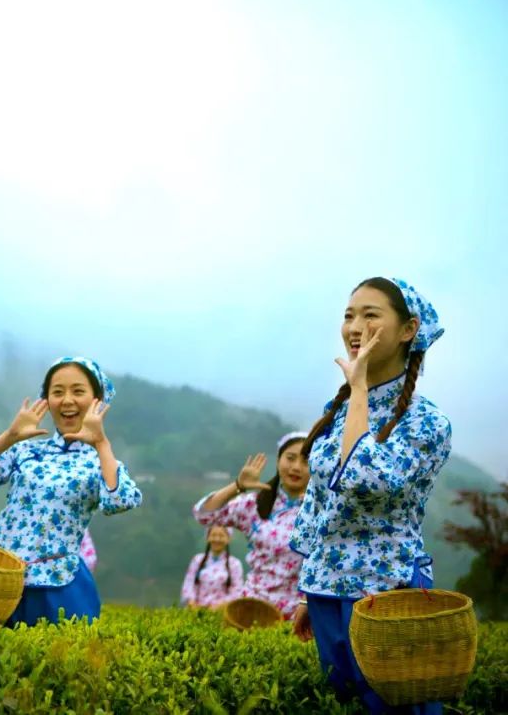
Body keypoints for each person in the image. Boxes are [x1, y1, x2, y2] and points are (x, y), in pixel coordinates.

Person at [290, 277, 450, 715]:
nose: (354, 326)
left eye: (370, 315)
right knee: (344, 705)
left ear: (408, 329)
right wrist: (309, 589)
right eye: (349, 315)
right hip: (326, 591)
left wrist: (358, 389)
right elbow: (317, 503)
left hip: (387, 591)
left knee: (398, 707)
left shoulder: (427, 421)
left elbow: (364, 480)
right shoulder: (338, 410)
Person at [0, 356, 142, 625]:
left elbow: (120, 500)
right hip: (2, 582)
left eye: (78, 391)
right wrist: (10, 437)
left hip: (59, 586)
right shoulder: (27, 449)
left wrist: (101, 442)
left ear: (97, 400)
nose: (67, 400)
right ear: (47, 400)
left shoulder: (99, 460)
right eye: (57, 392)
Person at [192, 431, 310, 618]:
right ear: (279, 460)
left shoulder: (321, 510)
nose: (296, 467)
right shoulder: (254, 504)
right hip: (252, 608)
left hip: (301, 615)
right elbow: (204, 515)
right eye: (290, 458)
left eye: (306, 461)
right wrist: (238, 486)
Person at [179, 525, 244, 609]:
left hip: (222, 613)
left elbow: (237, 592)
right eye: (213, 535)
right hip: (196, 612)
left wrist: (217, 607)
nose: (217, 539)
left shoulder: (234, 564)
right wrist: (193, 604)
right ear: (207, 538)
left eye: (221, 536)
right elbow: (188, 585)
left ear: (228, 539)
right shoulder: (197, 560)